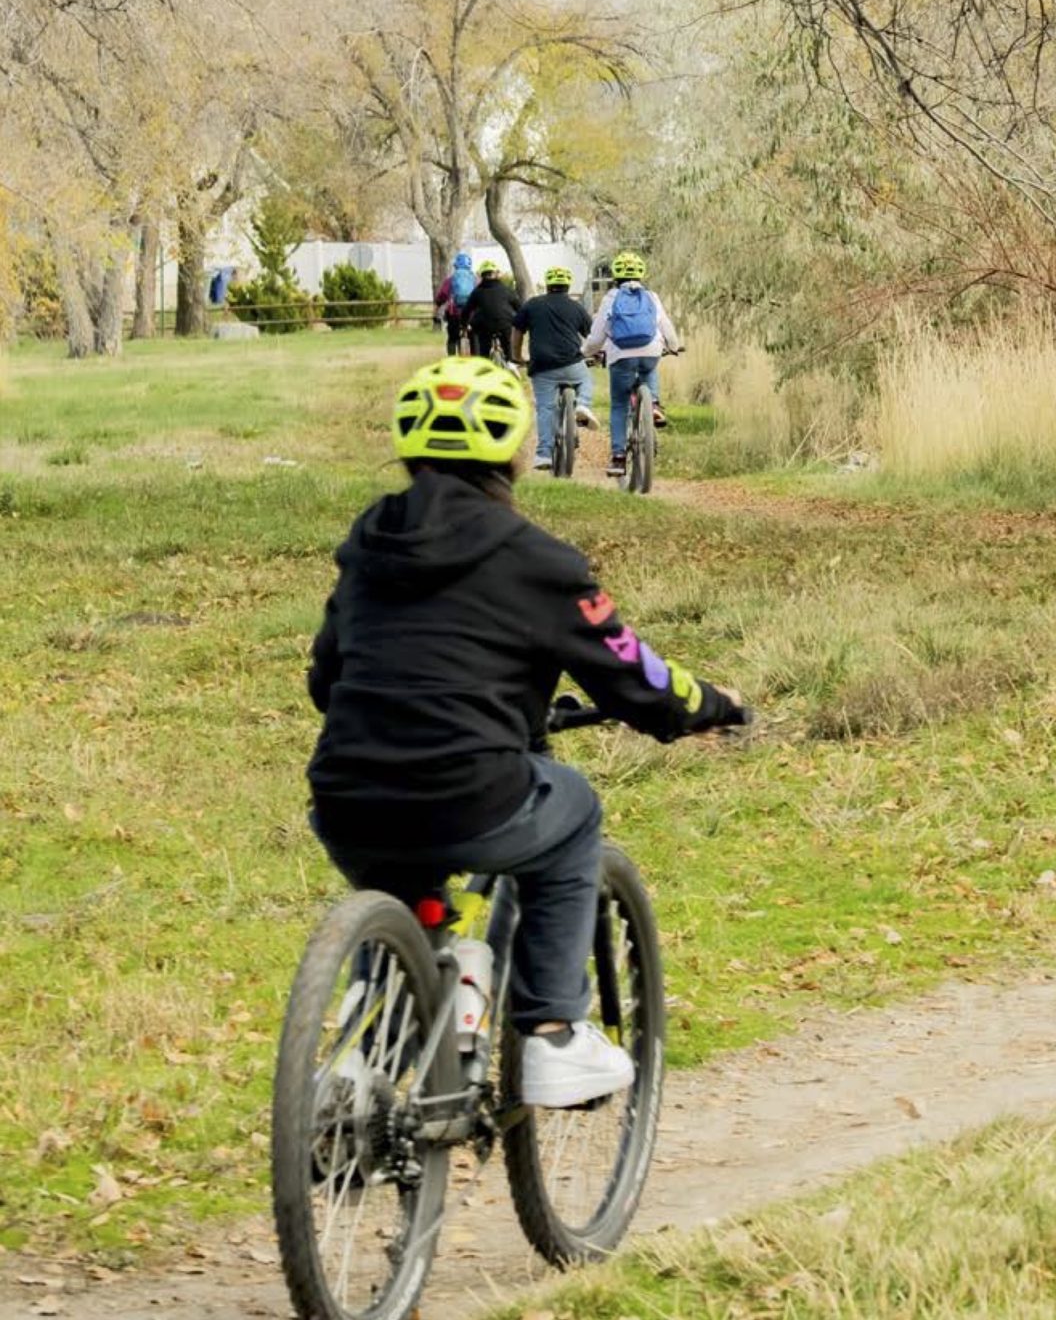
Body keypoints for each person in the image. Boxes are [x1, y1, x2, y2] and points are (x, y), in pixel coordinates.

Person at [306, 356, 748, 1107]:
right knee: (574, 812)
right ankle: (551, 1033)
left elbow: (327, 677)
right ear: (517, 451)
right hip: (471, 792)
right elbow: (635, 674)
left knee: (402, 883)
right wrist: (710, 703)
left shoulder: (368, 546)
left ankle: (362, 1060)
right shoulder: (538, 561)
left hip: (346, 797)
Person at [581, 251, 681, 478]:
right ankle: (653, 404)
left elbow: (597, 337)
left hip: (620, 355)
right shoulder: (651, 296)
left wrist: (585, 352)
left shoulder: (610, 298)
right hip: (650, 349)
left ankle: (618, 458)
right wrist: (673, 346)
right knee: (649, 367)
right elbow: (666, 326)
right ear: (641, 274)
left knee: (619, 405)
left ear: (615, 275)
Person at [520, 266, 598, 473]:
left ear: (548, 285)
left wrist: (515, 355)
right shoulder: (576, 307)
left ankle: (543, 454)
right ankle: (583, 404)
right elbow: (592, 335)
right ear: (567, 286)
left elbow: (516, 330)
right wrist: (596, 354)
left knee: (545, 407)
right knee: (585, 379)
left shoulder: (532, 305)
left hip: (542, 366)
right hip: (572, 363)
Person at [465, 261, 520, 366]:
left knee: (484, 351)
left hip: (484, 326)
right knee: (508, 347)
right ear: (496, 274)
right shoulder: (507, 290)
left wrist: (464, 324)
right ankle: (510, 363)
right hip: (505, 324)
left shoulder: (477, 292)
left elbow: (466, 310)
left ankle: (486, 365)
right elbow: (519, 307)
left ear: (482, 276)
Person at [434, 252, 478, 356]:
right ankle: (476, 358)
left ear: (456, 266)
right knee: (474, 338)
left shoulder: (450, 280)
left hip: (454, 314)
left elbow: (442, 296)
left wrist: (437, 308)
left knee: (452, 338)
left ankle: (452, 358)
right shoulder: (475, 280)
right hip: (471, 314)